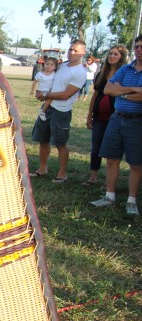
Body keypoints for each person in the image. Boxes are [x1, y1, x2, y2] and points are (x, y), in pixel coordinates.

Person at [90, 35, 142, 216]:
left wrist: (120, 91)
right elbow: (108, 89)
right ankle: (109, 196)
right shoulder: (126, 69)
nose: (139, 50)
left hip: (137, 121)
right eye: (137, 46)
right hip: (117, 118)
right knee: (112, 159)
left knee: (136, 163)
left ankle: (131, 201)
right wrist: (132, 91)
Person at [30, 39, 87, 183]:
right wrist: (40, 91)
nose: (71, 52)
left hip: (61, 111)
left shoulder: (80, 72)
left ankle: (62, 174)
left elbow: (66, 94)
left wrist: (45, 95)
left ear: (83, 53)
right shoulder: (61, 66)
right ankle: (42, 168)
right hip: (47, 107)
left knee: (60, 143)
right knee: (43, 139)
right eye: (70, 49)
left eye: (76, 50)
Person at [83, 45, 128, 185]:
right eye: (110, 53)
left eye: (115, 54)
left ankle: (109, 181)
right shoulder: (102, 73)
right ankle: (93, 177)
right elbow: (96, 94)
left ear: (121, 57)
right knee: (95, 147)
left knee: (112, 150)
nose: (112, 56)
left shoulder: (125, 74)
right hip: (99, 117)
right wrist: (89, 115)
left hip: (115, 117)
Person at [30, 57, 58, 122]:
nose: (49, 66)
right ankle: (42, 111)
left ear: (55, 67)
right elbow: (35, 82)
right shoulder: (40, 74)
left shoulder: (54, 74)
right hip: (41, 91)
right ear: (44, 64)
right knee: (50, 98)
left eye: (51, 65)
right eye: (47, 64)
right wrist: (32, 90)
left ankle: (46, 110)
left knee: (50, 98)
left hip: (49, 91)